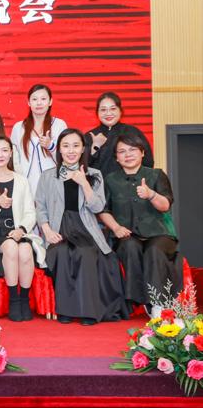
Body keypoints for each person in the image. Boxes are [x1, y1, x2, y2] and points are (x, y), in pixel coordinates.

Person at [35, 129, 128, 326]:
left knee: (86, 253)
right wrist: (47, 231)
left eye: (76, 146)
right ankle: (66, 311)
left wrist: (84, 183)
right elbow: (40, 207)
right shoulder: (48, 176)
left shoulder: (94, 174)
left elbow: (98, 207)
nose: (71, 151)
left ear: (83, 149)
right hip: (58, 227)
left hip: (85, 227)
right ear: (59, 149)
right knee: (61, 252)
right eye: (66, 146)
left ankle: (88, 311)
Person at [99, 134, 181, 317]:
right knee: (129, 247)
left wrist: (151, 194)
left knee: (154, 250)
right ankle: (139, 300)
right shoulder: (110, 180)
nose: (127, 154)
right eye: (122, 151)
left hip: (159, 233)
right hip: (127, 234)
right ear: (116, 157)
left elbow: (165, 205)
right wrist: (116, 228)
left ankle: (157, 302)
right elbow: (103, 210)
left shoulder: (156, 175)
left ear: (142, 152)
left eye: (132, 149)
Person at [0, 136, 44, 322]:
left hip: (18, 231)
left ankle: (24, 299)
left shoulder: (21, 180)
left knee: (25, 249)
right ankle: (13, 300)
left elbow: (30, 212)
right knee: (11, 247)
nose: (0, 154)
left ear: (11, 153)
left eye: (4, 150)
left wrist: (21, 229)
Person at [11, 84, 67, 194]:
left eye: (43, 99)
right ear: (28, 102)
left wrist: (51, 146)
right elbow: (13, 158)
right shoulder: (18, 127)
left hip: (52, 185)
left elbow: (67, 157)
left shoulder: (59, 125)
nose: (39, 103)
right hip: (24, 186)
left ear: (50, 102)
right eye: (34, 99)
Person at [85, 92, 154, 178]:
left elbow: (148, 162)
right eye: (103, 110)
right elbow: (82, 167)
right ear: (97, 112)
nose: (108, 113)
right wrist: (95, 147)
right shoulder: (89, 136)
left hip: (128, 184)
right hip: (98, 185)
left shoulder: (132, 132)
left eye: (113, 109)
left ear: (120, 111)